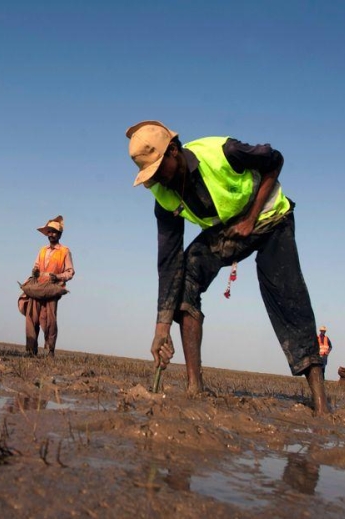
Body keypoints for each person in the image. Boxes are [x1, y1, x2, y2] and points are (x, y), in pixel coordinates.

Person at [126, 120, 330, 415]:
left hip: (270, 218)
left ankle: (321, 403)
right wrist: (161, 327)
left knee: (289, 295)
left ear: (173, 151)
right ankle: (195, 386)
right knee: (186, 278)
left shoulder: (224, 152)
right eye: (150, 176)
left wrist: (251, 218)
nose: (156, 181)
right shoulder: (164, 195)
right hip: (230, 230)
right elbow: (169, 261)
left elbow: (275, 160)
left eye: (158, 171)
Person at [20, 215, 75, 357]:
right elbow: (36, 266)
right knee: (32, 317)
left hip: (52, 289)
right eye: (49, 232)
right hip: (38, 287)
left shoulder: (64, 251)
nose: (51, 234)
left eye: (54, 232)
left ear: (60, 234)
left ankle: (50, 351)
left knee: (50, 320)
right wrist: (35, 272)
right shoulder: (42, 250)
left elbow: (70, 272)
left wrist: (58, 277)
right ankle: (31, 350)